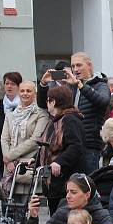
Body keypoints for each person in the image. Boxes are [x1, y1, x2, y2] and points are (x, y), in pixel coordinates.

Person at [0, 80, 50, 224]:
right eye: (23, 91)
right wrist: (8, 158)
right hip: (11, 167)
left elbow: (35, 140)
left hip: (27, 166)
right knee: (13, 210)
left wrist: (11, 155)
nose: (25, 94)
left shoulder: (40, 114)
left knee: (28, 209)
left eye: (29, 91)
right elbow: (4, 138)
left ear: (35, 93)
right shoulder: (11, 115)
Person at [38, 52, 111, 174]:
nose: (76, 69)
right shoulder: (71, 86)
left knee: (87, 185)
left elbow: (102, 102)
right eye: (73, 66)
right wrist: (43, 84)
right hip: (69, 146)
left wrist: (79, 84)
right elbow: (45, 105)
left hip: (89, 146)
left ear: (89, 65)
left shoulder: (100, 84)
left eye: (79, 65)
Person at [40, 85, 85, 215]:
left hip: (64, 179)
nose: (46, 104)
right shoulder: (54, 121)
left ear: (53, 102)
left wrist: (59, 162)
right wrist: (36, 160)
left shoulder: (69, 120)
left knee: (63, 219)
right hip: (53, 182)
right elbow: (46, 146)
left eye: (48, 100)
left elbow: (75, 146)